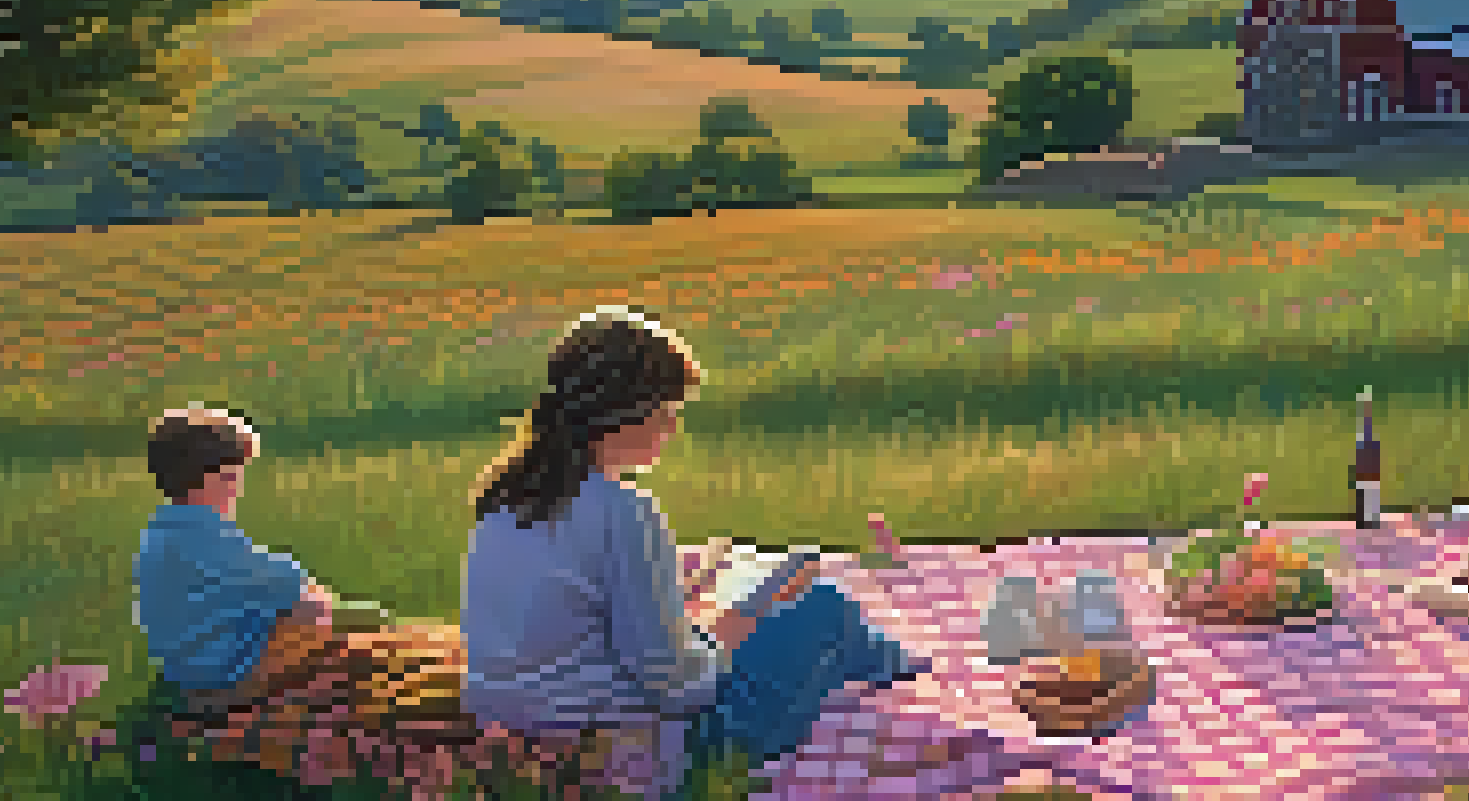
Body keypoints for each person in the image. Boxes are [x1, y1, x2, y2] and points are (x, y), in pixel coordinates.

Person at [461, 307, 922, 783]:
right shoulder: (624, 512)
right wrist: (724, 640)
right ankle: (897, 664)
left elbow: (585, 643)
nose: (673, 426)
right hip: (648, 749)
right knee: (826, 608)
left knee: (769, 618)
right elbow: (675, 689)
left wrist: (702, 638)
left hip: (524, 718)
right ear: (624, 413)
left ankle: (884, 658)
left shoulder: (503, 503)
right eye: (667, 412)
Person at [132, 408, 469, 772]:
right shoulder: (207, 542)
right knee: (354, 640)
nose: (238, 487)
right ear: (217, 477)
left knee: (328, 627)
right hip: (226, 673)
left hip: (198, 663)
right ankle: (438, 665)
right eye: (236, 476)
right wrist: (369, 619)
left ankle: (430, 652)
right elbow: (288, 585)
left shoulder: (162, 535)